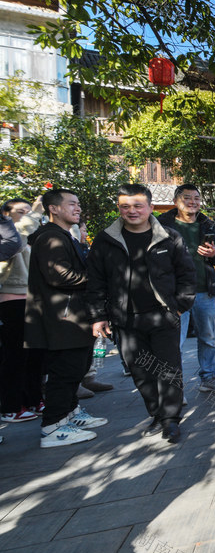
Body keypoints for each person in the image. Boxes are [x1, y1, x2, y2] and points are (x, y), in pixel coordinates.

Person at [86, 184, 196, 444]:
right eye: (125, 206)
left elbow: (187, 274)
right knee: (140, 370)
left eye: (137, 205)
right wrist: (98, 315)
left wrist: (180, 305)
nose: (132, 211)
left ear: (150, 207)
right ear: (119, 208)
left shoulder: (169, 237)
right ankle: (156, 413)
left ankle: (170, 419)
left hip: (163, 315)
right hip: (125, 319)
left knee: (168, 369)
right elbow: (95, 280)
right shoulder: (106, 239)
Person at [25, 188, 107, 448]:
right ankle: (53, 427)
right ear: (54, 209)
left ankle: (70, 414)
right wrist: (99, 279)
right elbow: (59, 276)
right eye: (72, 204)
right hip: (62, 317)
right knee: (65, 371)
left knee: (77, 368)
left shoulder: (63, 236)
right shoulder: (51, 237)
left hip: (72, 315)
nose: (78, 208)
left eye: (78, 203)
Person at [157, 184, 215, 393]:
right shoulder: (161, 225)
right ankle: (175, 385)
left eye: (196, 198)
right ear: (175, 201)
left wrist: (213, 254)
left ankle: (208, 377)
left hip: (204, 292)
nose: (193, 202)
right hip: (175, 294)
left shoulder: (208, 225)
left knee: (207, 338)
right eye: (187, 198)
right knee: (175, 342)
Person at [0, 197, 46, 424]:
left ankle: (34, 399)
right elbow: (18, 235)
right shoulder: (10, 237)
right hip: (12, 300)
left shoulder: (31, 236)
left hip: (34, 299)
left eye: (29, 210)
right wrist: (35, 213)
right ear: (6, 216)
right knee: (15, 356)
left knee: (35, 355)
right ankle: (11, 406)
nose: (27, 214)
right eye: (21, 211)